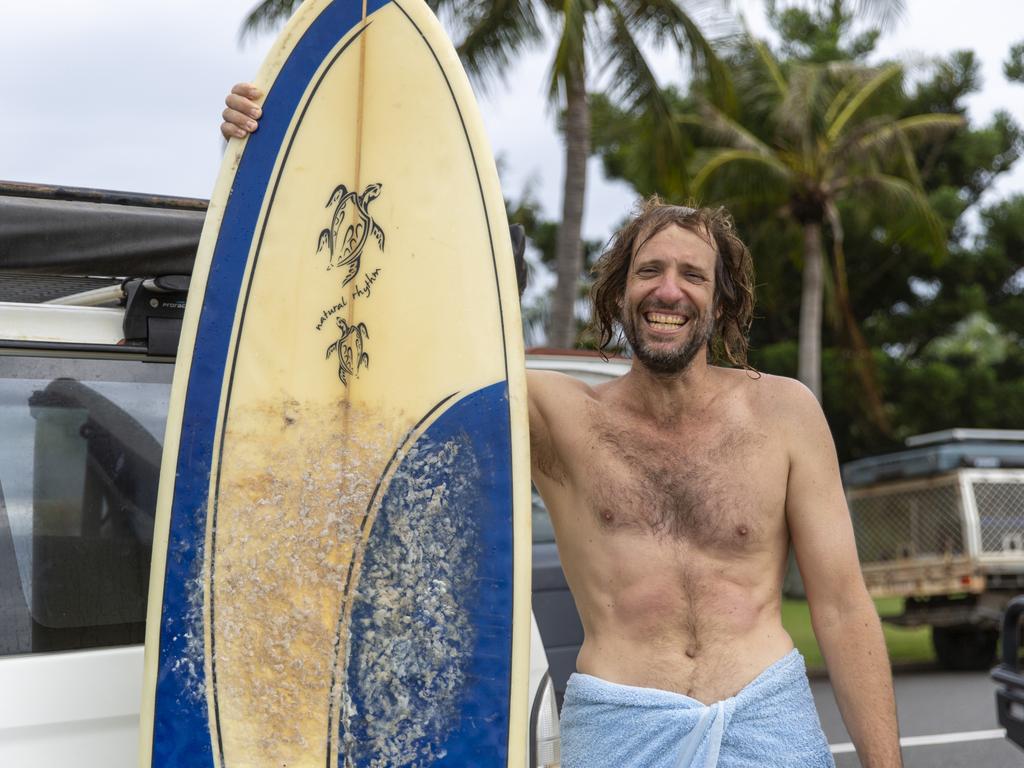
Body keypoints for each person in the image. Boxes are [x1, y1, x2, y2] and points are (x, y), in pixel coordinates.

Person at [220, 84, 902, 768]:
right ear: (619, 294)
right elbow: (389, 331)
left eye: (693, 275)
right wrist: (277, 156)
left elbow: (842, 607)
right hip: (621, 732)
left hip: (767, 723)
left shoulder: (785, 413)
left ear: (721, 302)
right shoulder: (556, 416)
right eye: (649, 272)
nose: (669, 290)